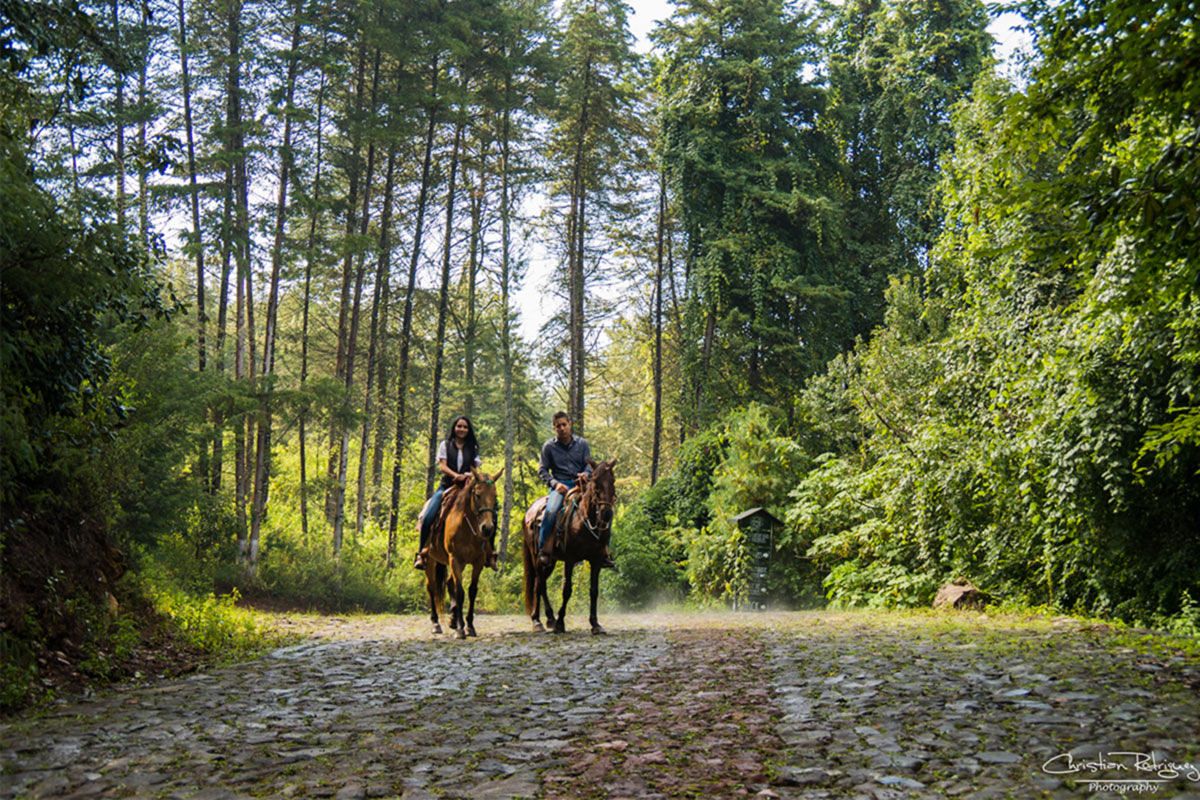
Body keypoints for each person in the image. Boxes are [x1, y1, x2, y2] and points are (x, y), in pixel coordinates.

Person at [536, 411, 615, 569]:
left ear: (569, 425)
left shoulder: (582, 444)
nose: (562, 428)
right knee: (551, 511)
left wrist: (586, 474)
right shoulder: (549, 447)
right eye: (558, 426)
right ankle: (544, 549)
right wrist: (555, 483)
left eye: (564, 425)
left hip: (582, 485)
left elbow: (588, 464)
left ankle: (604, 550)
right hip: (561, 486)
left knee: (605, 508)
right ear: (554, 428)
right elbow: (542, 470)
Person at [415, 415, 494, 569]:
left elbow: (476, 469)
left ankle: (490, 552)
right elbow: (442, 466)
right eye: (459, 426)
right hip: (447, 486)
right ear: (454, 428)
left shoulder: (473, 448)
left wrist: (469, 475)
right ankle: (422, 552)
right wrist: (455, 475)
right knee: (430, 513)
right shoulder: (445, 445)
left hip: (467, 487)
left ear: (468, 430)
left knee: (490, 512)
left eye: (465, 427)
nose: (462, 429)